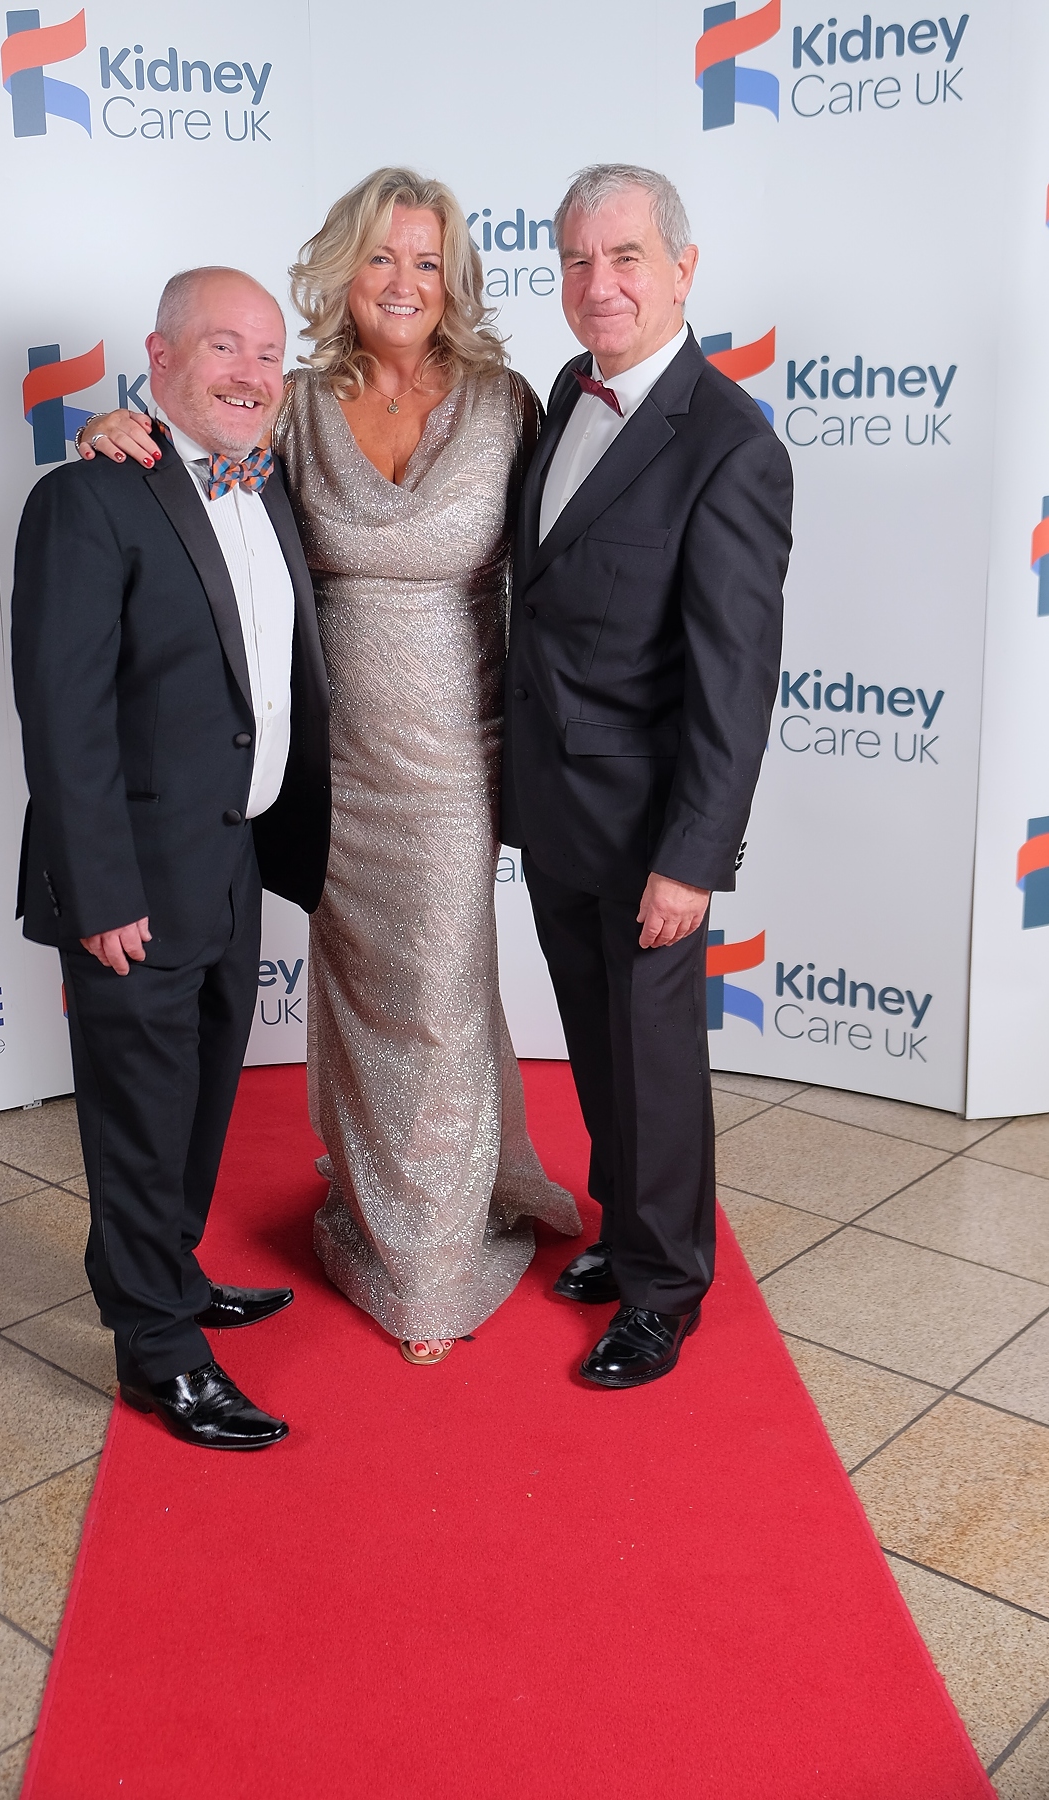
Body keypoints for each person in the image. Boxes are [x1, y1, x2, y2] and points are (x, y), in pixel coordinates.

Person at [79, 170, 580, 1365]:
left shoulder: (507, 403)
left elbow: (566, 564)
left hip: (460, 754)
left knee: (445, 995)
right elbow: (196, 499)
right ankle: (379, 1208)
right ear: (343, 273)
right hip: (322, 759)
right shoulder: (290, 407)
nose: (403, 283)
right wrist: (109, 430)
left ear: (452, 278)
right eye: (380, 259)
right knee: (359, 1003)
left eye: (426, 261)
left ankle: (433, 1257)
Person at [11, 267, 331, 1447]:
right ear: (159, 356)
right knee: (138, 1117)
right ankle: (158, 1349)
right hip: (133, 882)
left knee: (197, 1104)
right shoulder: (87, 499)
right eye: (223, 348)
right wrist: (98, 891)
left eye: (267, 353)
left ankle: (173, 1276)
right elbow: (63, 712)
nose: (250, 373)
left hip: (235, 862)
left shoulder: (271, 485)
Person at [502, 165, 792, 1389]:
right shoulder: (565, 394)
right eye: (576, 260)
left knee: (657, 1062)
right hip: (557, 809)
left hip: (650, 835)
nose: (598, 283)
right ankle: (624, 1235)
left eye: (624, 258)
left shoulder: (729, 445)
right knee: (595, 1048)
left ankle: (665, 1290)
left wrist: (692, 858)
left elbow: (734, 683)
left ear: (681, 271)